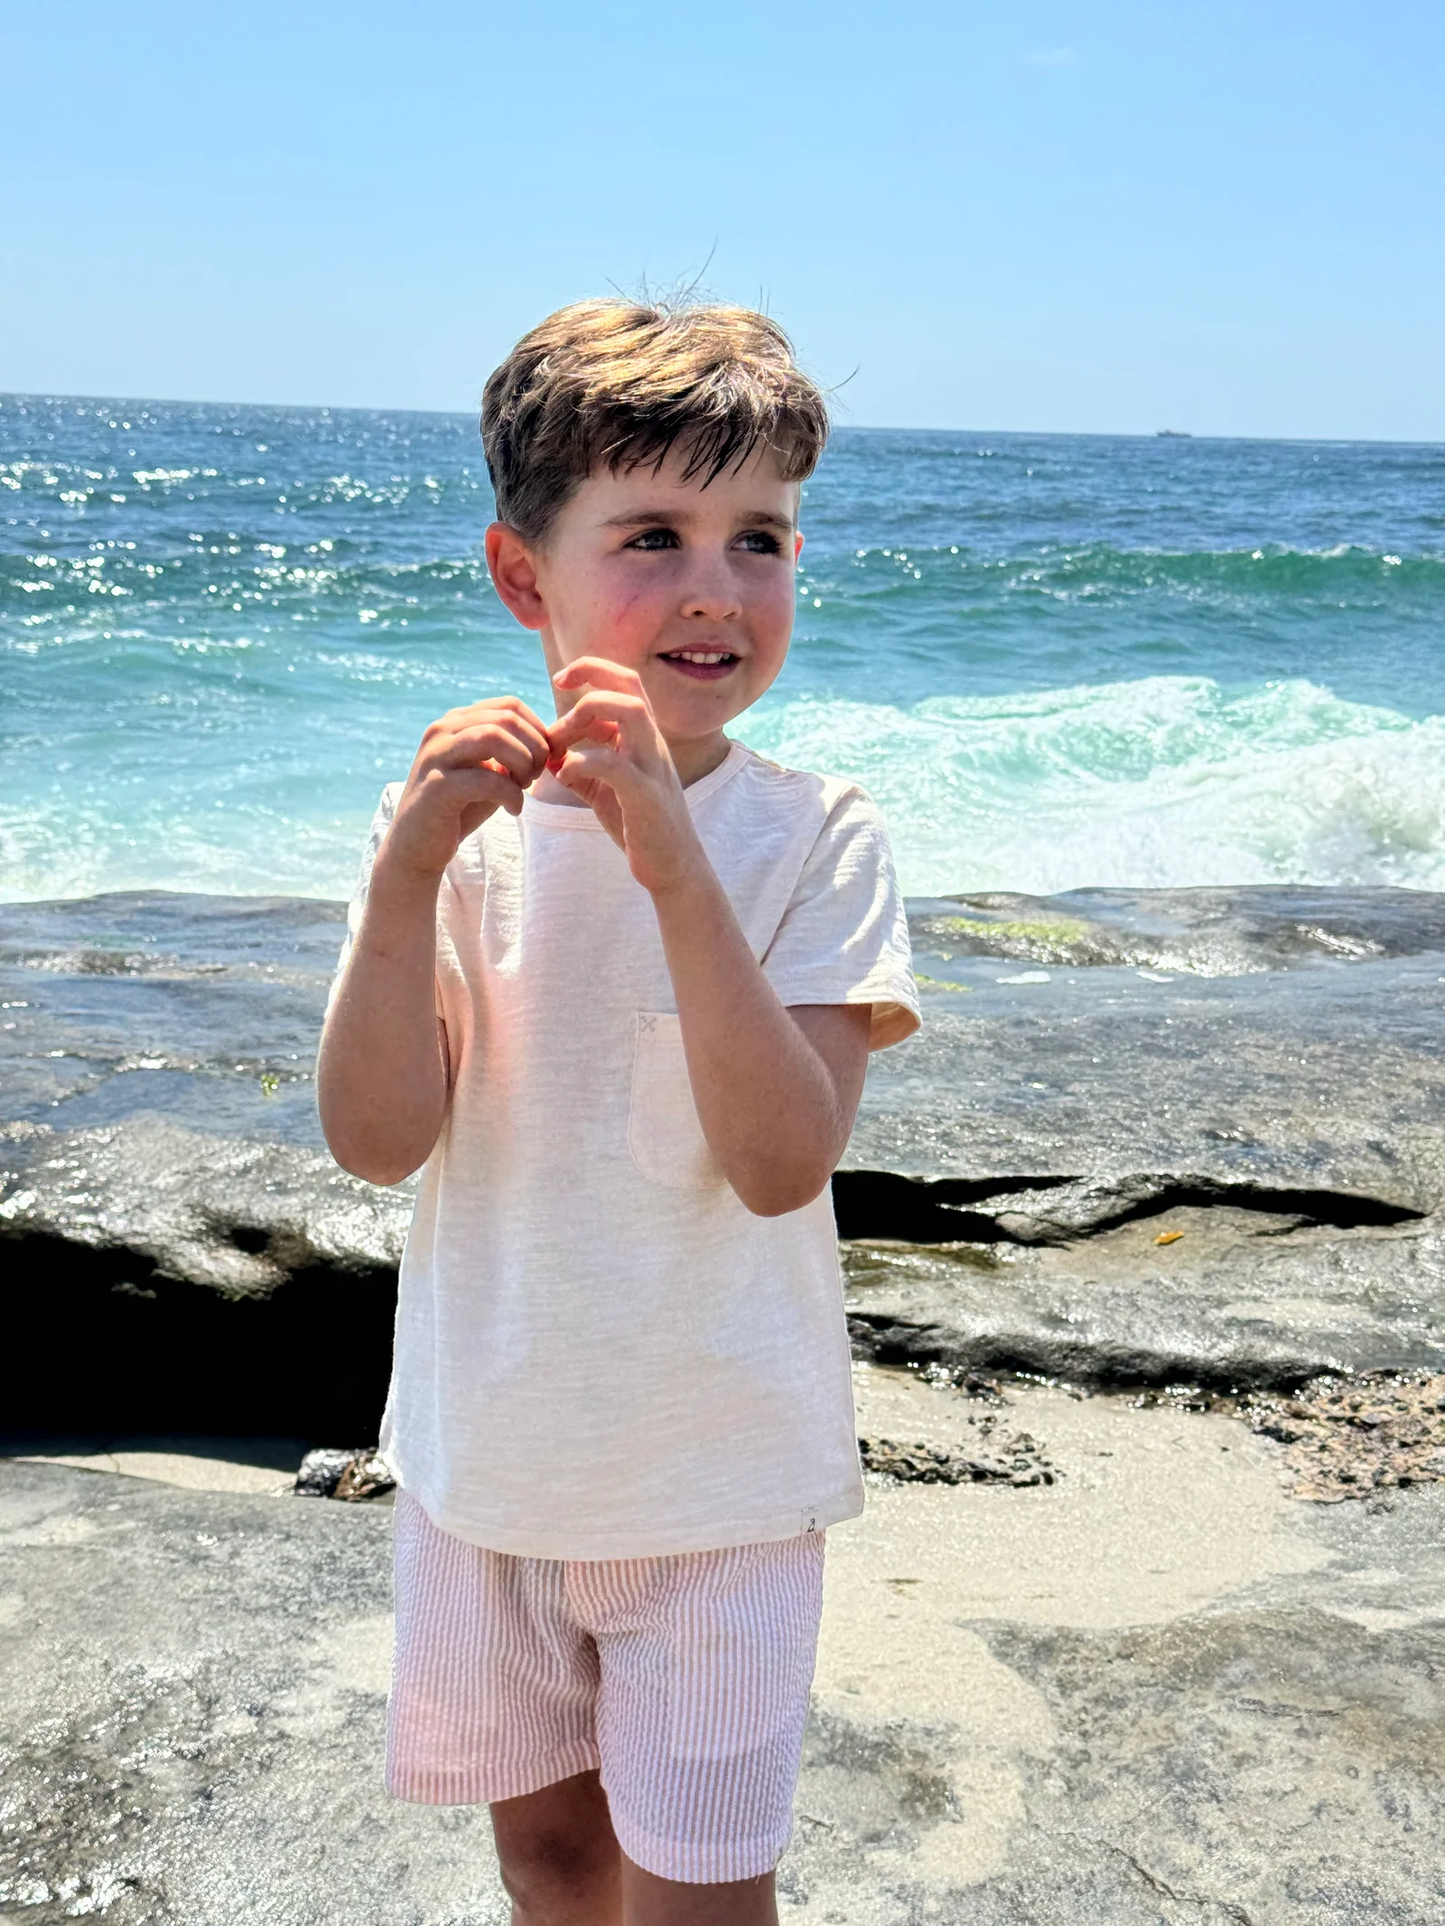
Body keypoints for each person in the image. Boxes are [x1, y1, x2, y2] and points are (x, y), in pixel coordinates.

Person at [317, 298, 919, 1926]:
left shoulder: (817, 835)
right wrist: (401, 883)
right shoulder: (455, 832)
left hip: (717, 1484)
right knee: (553, 1861)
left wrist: (672, 863)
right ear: (528, 577)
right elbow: (377, 1139)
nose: (716, 587)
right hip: (491, 1462)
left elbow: (784, 1156)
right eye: (652, 535)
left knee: (702, 1887)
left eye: (763, 538)